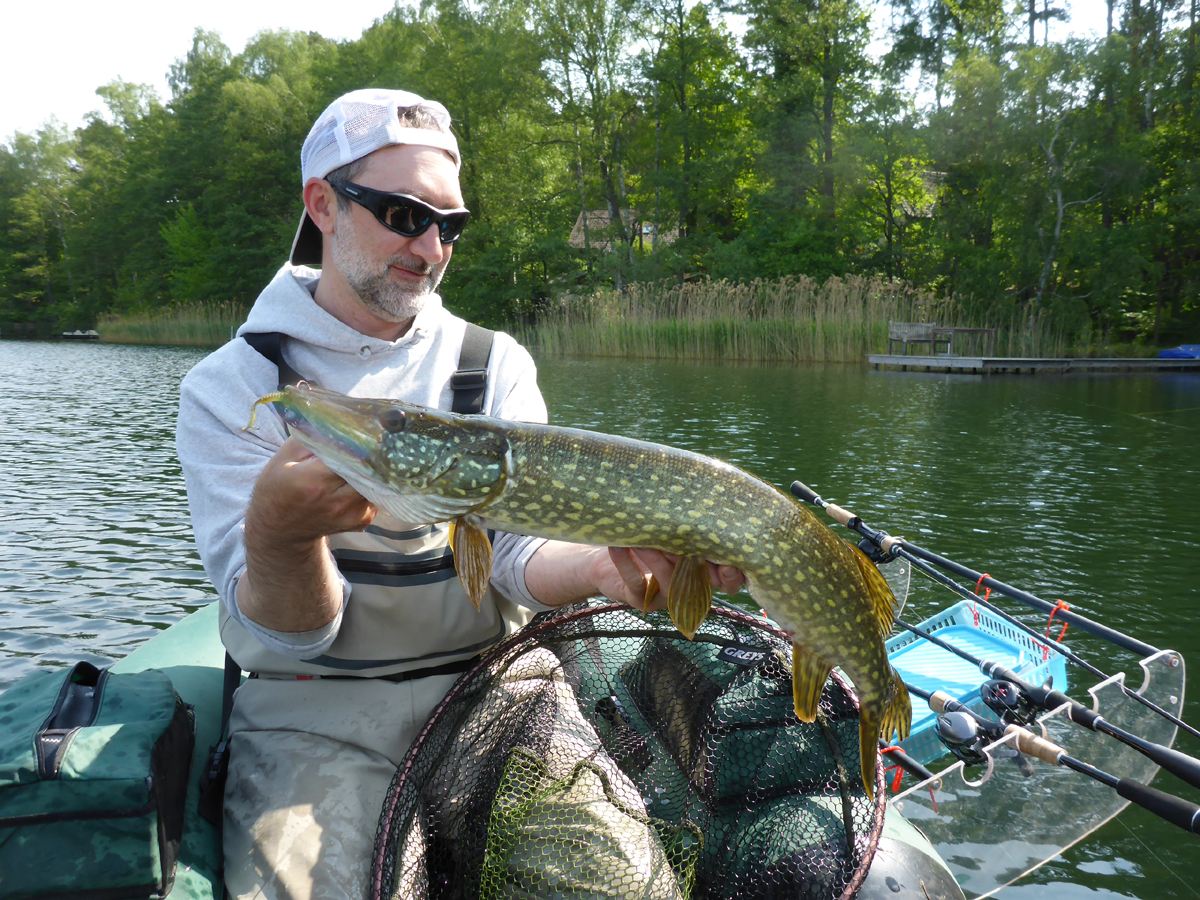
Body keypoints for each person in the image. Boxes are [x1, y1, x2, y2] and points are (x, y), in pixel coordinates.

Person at [176, 88, 743, 900]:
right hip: (316, 713)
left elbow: (512, 555)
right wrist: (279, 536)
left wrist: (602, 571)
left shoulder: (491, 362)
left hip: (497, 686)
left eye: (451, 224)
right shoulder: (232, 387)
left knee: (619, 884)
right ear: (323, 204)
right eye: (406, 215)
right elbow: (293, 639)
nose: (432, 246)